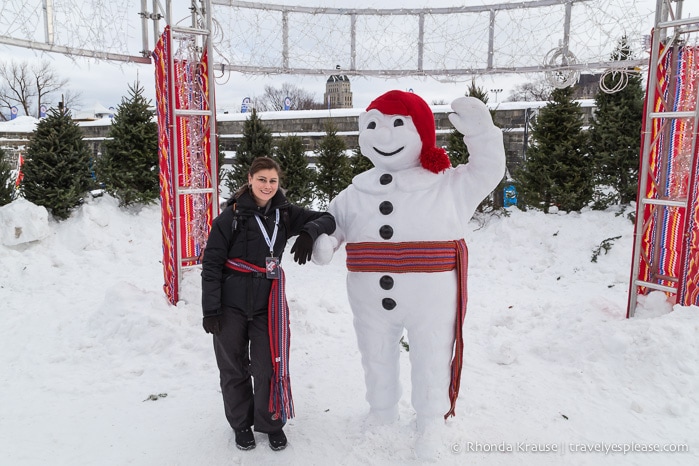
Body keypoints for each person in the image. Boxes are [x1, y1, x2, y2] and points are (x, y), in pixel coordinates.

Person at [201, 156, 336, 451]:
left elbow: (328, 218)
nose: (267, 185)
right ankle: (241, 425)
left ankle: (271, 422)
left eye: (273, 181)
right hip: (230, 305)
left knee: (269, 366)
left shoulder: (284, 214)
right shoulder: (230, 218)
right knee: (233, 367)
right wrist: (211, 310)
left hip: (267, 304)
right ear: (250, 180)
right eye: (262, 179)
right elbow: (211, 265)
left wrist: (309, 233)